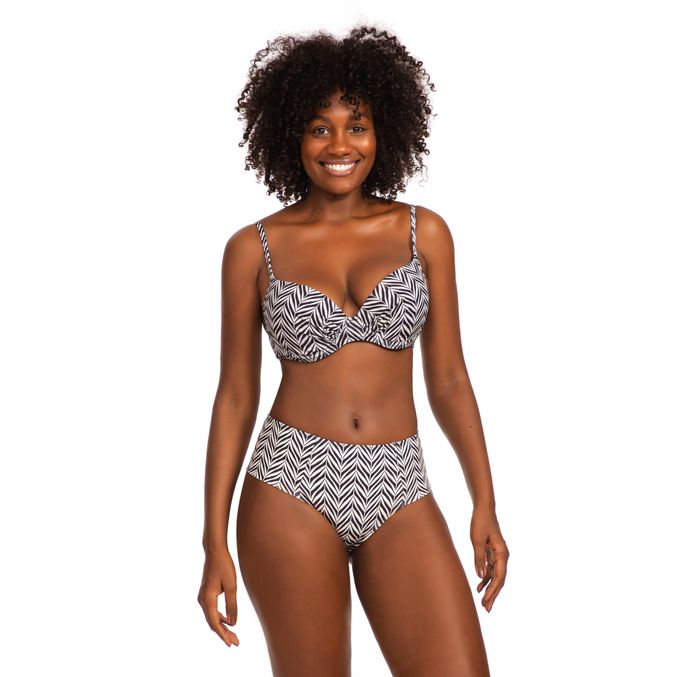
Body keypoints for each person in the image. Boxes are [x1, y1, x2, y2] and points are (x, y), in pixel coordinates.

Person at [198, 24, 509, 676]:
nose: (339, 145)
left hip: (399, 481)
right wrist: (213, 539)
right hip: (289, 483)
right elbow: (235, 397)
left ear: (382, 131)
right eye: (320, 128)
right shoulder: (252, 249)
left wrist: (483, 499)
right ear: (291, 136)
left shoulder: (423, 233)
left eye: (356, 126)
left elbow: (449, 379)